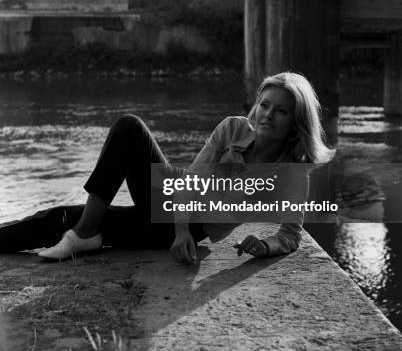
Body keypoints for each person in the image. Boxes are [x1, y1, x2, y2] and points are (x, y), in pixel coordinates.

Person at [0, 72, 334, 263]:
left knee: (59, 218)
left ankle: (82, 232)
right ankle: (85, 234)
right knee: (130, 128)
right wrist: (181, 231)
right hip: (174, 205)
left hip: (189, 226)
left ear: (295, 123)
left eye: (281, 111)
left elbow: (290, 235)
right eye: (264, 105)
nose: (267, 115)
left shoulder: (292, 174)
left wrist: (265, 246)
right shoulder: (233, 128)